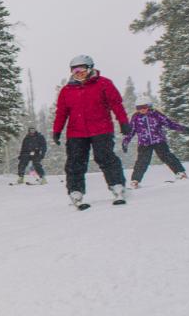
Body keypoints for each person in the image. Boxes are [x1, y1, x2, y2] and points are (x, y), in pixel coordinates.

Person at [51, 55, 131, 206]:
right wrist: (57, 130)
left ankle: (117, 186)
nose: (78, 72)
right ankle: (76, 191)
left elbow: (116, 104)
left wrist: (123, 122)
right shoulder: (67, 90)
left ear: (90, 68)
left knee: (105, 157)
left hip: (101, 129)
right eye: (75, 70)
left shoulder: (104, 84)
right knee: (75, 161)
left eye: (82, 69)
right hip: (76, 132)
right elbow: (61, 113)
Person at [121, 95, 188, 188]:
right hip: (144, 143)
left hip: (159, 140)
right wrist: (125, 142)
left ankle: (180, 173)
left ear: (149, 106)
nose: (142, 109)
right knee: (142, 161)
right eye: (139, 108)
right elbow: (131, 131)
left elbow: (169, 123)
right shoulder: (136, 117)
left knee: (167, 156)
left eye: (144, 107)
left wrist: (182, 128)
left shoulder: (156, 114)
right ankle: (135, 180)